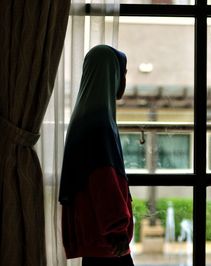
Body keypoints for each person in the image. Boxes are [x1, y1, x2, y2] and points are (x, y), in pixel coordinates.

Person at [59, 45, 134, 266]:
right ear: (112, 74)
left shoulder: (84, 117)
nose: (124, 80)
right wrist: (117, 228)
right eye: (124, 72)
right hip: (108, 242)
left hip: (93, 235)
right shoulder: (100, 123)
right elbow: (103, 180)